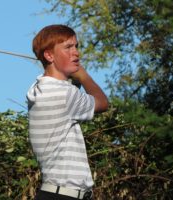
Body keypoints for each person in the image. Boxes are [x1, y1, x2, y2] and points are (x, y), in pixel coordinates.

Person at [27, 24, 109, 200]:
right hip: (64, 195)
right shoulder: (64, 94)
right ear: (49, 55)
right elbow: (102, 103)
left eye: (76, 46)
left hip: (54, 193)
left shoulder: (39, 88)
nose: (76, 53)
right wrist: (83, 76)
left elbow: (64, 90)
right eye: (68, 47)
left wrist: (68, 75)